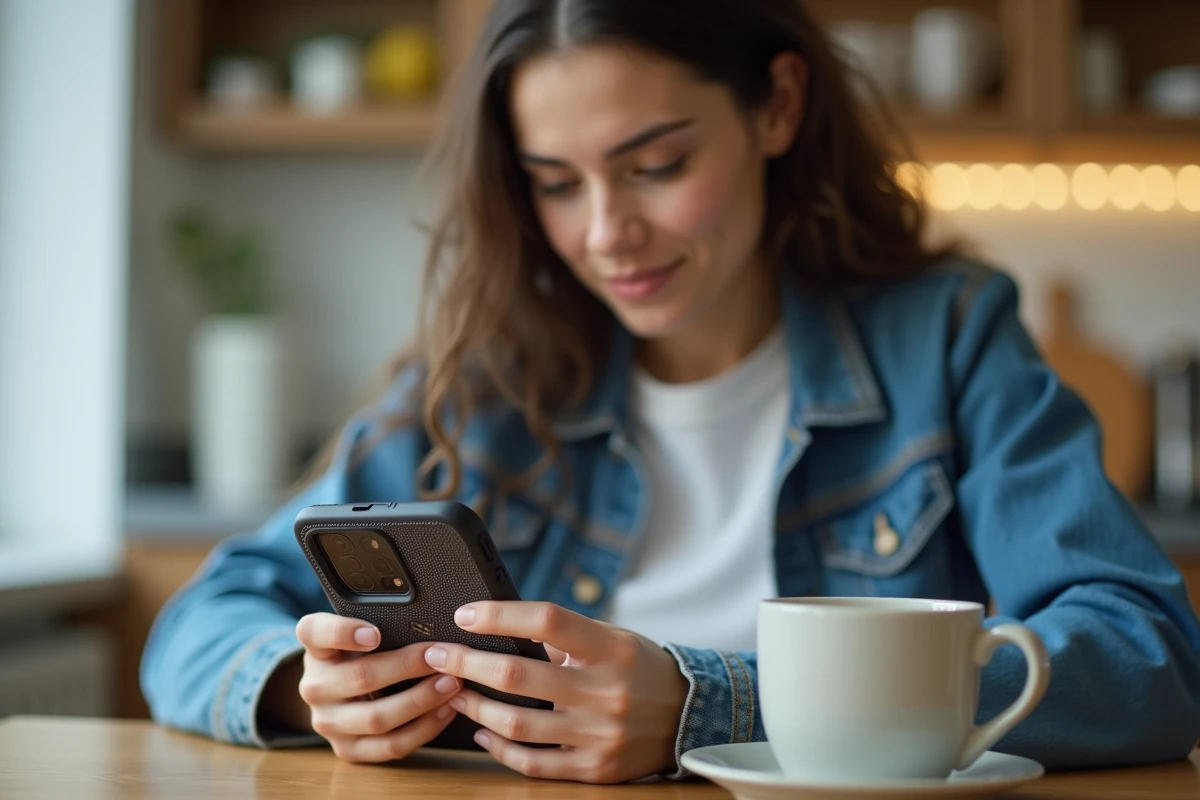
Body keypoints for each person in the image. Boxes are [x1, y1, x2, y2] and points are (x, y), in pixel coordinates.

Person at [141, 0, 1200, 784]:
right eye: (556, 183)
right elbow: (197, 625)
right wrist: (309, 684)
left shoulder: (948, 337)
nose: (606, 232)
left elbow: (1147, 655)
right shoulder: (485, 376)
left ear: (777, 107)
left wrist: (713, 701)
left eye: (655, 164)